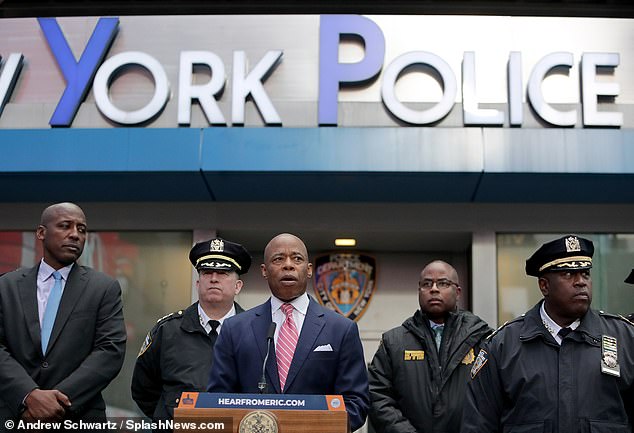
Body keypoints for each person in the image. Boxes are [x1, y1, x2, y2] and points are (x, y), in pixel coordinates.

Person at [462, 235, 634, 433]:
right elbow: (478, 423)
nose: (581, 282)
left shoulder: (625, 339)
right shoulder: (503, 345)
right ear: (544, 285)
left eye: (585, 273)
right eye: (568, 274)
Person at [208, 233, 369, 431]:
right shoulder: (235, 329)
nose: (288, 265)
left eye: (297, 258)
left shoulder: (341, 329)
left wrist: (302, 426)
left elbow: (356, 404)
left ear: (309, 270)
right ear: (265, 271)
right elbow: (218, 401)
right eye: (278, 259)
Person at [0, 202, 127, 423]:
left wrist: (54, 404)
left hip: (79, 417)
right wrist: (28, 396)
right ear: (41, 233)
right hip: (16, 416)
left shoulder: (103, 288)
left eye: (81, 229)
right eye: (65, 226)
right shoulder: (6, 286)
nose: (75, 235)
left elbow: (110, 351)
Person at [131, 237, 251, 422]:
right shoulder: (168, 330)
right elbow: (143, 389)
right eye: (206, 272)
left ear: (238, 286)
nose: (213, 279)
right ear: (197, 284)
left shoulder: (255, 332)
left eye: (223, 273)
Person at [368, 260, 492, 433]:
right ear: (419, 291)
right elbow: (377, 396)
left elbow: (495, 399)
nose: (434, 289)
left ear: (457, 292)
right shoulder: (394, 342)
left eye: (443, 283)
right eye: (427, 284)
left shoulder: (484, 340)